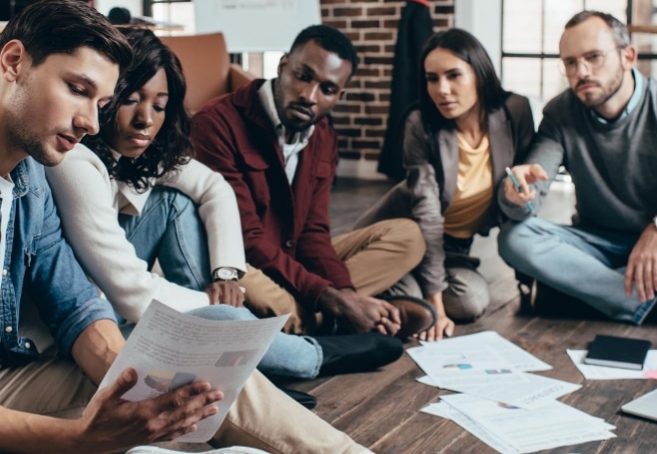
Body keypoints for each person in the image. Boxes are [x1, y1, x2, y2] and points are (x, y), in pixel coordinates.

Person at [0, 0, 371, 454]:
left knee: (202, 382)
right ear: (14, 61)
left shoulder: (31, 166)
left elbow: (77, 309)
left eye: (100, 102)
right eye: (77, 90)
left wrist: (135, 386)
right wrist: (85, 439)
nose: (91, 121)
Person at [46, 27, 403, 380]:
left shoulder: (137, 150)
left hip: (149, 290)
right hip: (88, 321)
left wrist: (225, 275)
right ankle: (307, 356)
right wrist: (215, 305)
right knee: (229, 319)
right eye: (130, 99)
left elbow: (213, 187)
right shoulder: (76, 161)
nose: (146, 119)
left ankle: (277, 340)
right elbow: (134, 295)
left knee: (174, 202)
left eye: (159, 105)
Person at [497, 10, 657, 338]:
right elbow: (526, 205)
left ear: (628, 56)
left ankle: (581, 294)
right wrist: (514, 196)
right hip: (596, 246)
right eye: (569, 63)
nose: (580, 72)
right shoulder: (560, 113)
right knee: (514, 238)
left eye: (593, 57)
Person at [193, 24, 435, 339]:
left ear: (339, 95)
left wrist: (346, 293)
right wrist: (328, 297)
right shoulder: (217, 123)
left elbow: (313, 232)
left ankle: (342, 312)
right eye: (303, 76)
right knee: (251, 287)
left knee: (409, 236)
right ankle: (329, 322)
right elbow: (247, 239)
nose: (309, 96)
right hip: (236, 262)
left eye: (327, 89)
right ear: (283, 67)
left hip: (290, 259)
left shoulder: (323, 137)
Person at [353, 28, 535, 341]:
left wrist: (530, 272)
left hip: (453, 248)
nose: (443, 89)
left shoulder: (514, 111)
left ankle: (405, 291)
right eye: (432, 78)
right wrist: (435, 307)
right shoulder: (420, 124)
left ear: (479, 73)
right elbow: (426, 216)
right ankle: (394, 290)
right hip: (402, 236)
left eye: (454, 75)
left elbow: (523, 187)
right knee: (422, 310)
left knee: (471, 301)